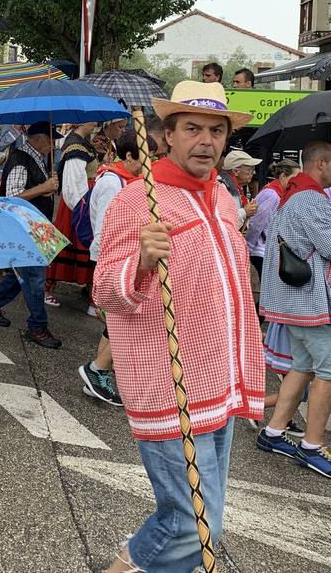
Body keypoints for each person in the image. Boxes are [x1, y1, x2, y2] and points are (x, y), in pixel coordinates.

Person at [96, 81, 263, 573]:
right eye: (192, 129)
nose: (206, 141)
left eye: (216, 130)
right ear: (167, 135)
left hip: (220, 379)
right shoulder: (137, 201)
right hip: (169, 382)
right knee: (194, 523)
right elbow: (105, 290)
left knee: (202, 520)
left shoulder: (225, 198)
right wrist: (142, 263)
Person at [257, 141, 331, 481]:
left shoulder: (293, 194)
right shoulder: (312, 200)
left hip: (292, 299)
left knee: (301, 366)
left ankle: (273, 432)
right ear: (320, 163)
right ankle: (312, 445)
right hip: (312, 301)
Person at [76, 131, 147, 407]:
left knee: (116, 321)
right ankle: (97, 371)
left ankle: (98, 375)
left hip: (123, 260)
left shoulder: (127, 180)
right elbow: (108, 229)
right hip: (112, 261)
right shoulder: (111, 182)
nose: (149, 163)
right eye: (145, 157)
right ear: (129, 156)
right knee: (122, 322)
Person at [0, 121, 62, 349]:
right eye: (50, 138)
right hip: (23, 228)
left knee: (22, 275)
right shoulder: (20, 158)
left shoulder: (38, 157)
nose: (53, 143)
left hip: (32, 226)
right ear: (37, 138)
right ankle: (37, 325)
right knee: (34, 277)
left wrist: (48, 186)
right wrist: (43, 187)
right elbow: (13, 197)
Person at [49, 121, 97, 301]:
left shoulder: (83, 142)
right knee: (69, 242)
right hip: (77, 204)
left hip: (84, 200)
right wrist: (83, 209)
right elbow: (72, 183)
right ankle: (47, 289)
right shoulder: (75, 146)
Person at [246, 158, 299, 278]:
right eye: (295, 177)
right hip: (261, 252)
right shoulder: (271, 195)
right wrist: (248, 248)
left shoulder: (276, 193)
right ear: (284, 176)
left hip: (267, 251)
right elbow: (256, 223)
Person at [221, 149, 260, 228]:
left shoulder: (237, 188)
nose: (254, 173)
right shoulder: (222, 188)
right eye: (250, 170)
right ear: (235, 171)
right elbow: (223, 221)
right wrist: (245, 212)